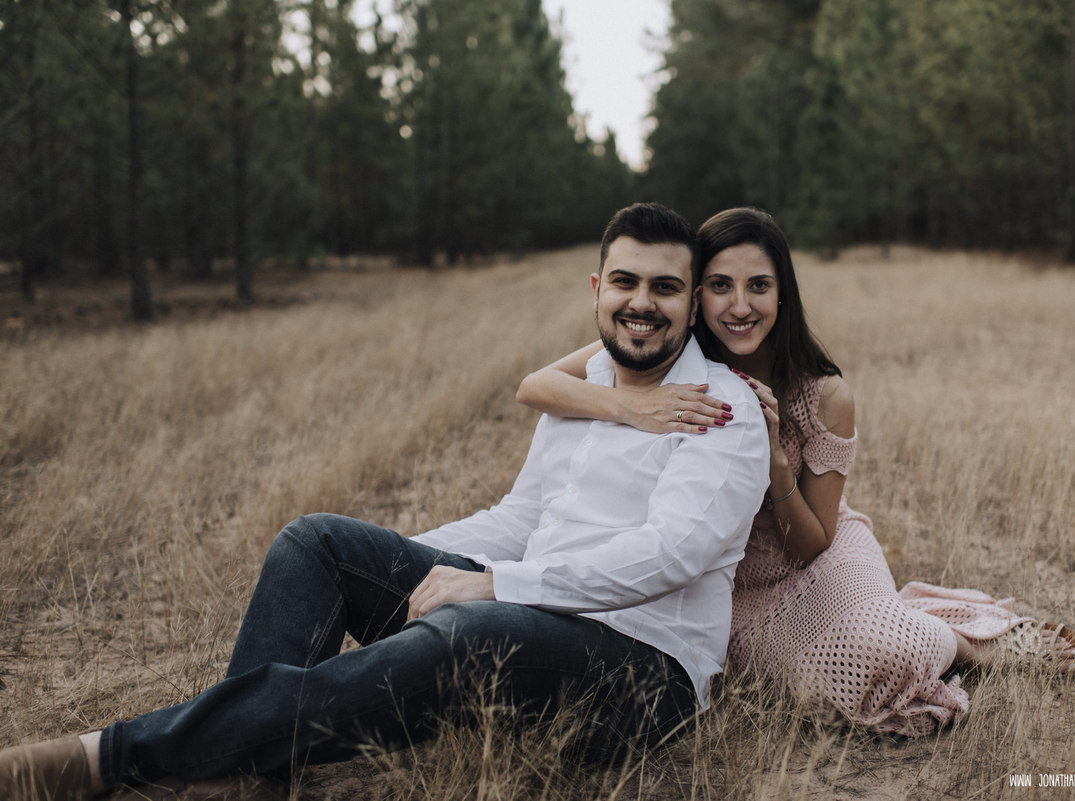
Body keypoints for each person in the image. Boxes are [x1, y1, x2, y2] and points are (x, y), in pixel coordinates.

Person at [0, 203, 770, 800]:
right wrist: (400, 565)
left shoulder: (722, 411)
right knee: (320, 541)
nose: (643, 303)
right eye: (626, 283)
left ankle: (106, 757)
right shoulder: (586, 388)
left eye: (665, 287)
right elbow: (524, 518)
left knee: (472, 625)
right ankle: (246, 771)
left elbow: (671, 555)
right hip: (532, 616)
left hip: (641, 674)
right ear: (596, 290)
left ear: (692, 301)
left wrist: (496, 585)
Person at [516, 206, 1075, 737]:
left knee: (884, 652)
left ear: (782, 294)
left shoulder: (823, 396)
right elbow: (535, 386)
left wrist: (773, 461)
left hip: (819, 557)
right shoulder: (669, 347)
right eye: (720, 286)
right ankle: (914, 612)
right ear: (695, 297)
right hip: (721, 580)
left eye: (758, 286)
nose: (739, 306)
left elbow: (812, 543)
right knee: (838, 689)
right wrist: (631, 404)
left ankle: (970, 642)